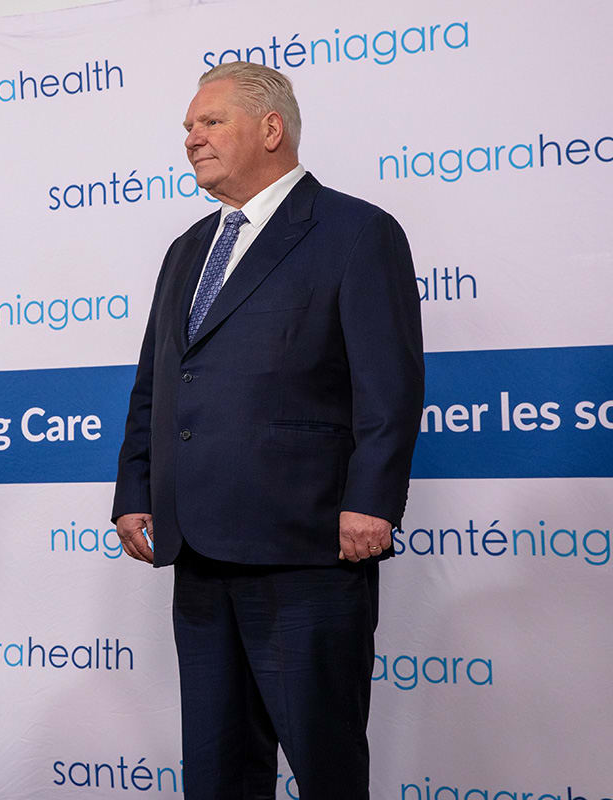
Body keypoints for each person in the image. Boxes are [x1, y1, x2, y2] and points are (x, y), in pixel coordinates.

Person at [112, 62, 424, 799]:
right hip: (197, 550)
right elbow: (160, 380)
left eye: (210, 122)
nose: (192, 138)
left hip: (306, 549)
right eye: (188, 127)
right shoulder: (187, 248)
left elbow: (390, 385)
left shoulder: (357, 232)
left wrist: (372, 502)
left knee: (325, 765)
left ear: (272, 129)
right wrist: (135, 489)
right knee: (218, 770)